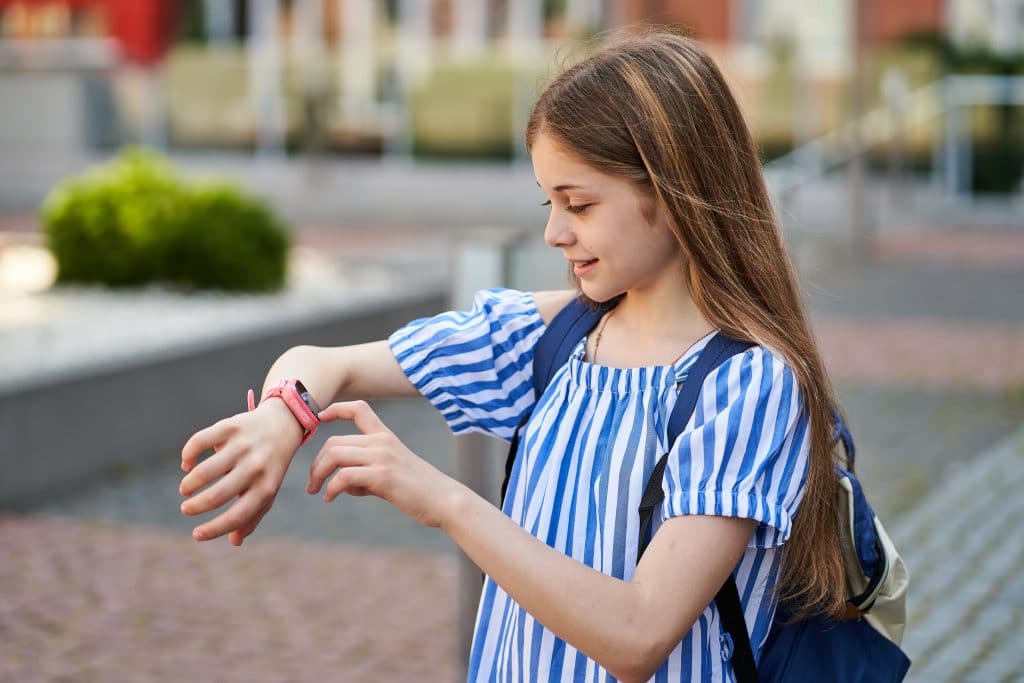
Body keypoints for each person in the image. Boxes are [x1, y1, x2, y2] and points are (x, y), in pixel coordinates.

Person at [180, 29, 847, 683]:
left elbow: (639, 634)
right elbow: (328, 363)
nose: (555, 232)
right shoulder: (552, 336)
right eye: (549, 201)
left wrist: (445, 500)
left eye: (578, 203)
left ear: (670, 192)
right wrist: (281, 416)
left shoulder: (749, 383)